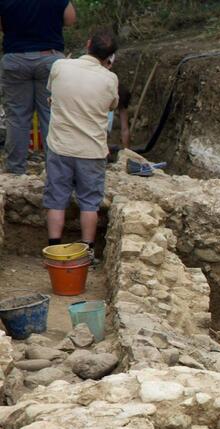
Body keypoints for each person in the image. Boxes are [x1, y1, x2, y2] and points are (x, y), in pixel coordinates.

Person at [43, 29, 119, 251]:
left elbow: (53, 95)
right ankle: (87, 250)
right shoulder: (109, 78)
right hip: (91, 152)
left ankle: (54, 248)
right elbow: (111, 106)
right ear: (110, 57)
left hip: (60, 147)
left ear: (88, 44)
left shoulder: (60, 66)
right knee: (89, 203)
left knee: (56, 200)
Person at [0, 0, 76, 174]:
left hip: (15, 58)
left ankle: (15, 169)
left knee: (17, 117)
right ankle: (56, 170)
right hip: (50, 59)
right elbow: (70, 19)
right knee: (51, 115)